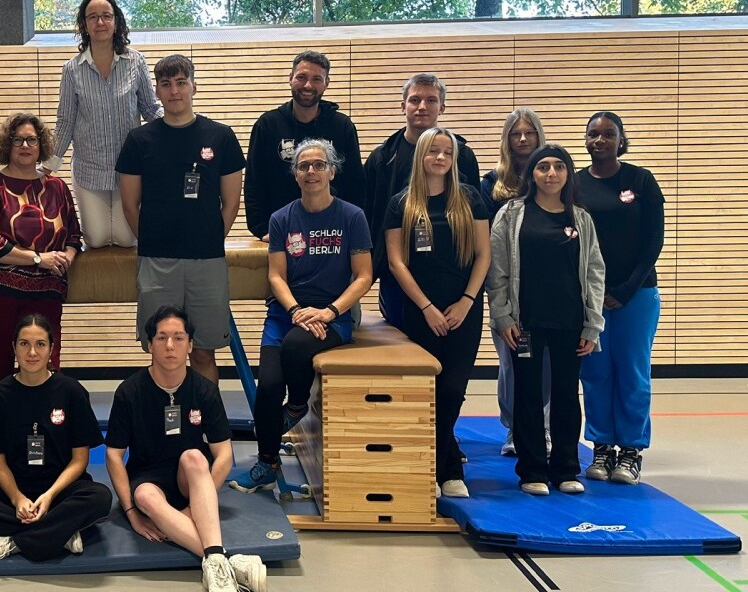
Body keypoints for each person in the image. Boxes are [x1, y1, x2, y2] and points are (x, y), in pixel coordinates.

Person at [230, 139, 372, 496]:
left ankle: (296, 407)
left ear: (332, 171)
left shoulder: (351, 216)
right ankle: (266, 463)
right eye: (304, 166)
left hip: (334, 315)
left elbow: (364, 277)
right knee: (267, 389)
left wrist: (328, 311)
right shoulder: (282, 218)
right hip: (286, 314)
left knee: (296, 347)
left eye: (318, 165)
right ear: (295, 175)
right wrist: (295, 310)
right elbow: (276, 275)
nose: (311, 172)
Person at [106, 306, 268, 592]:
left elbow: (223, 456)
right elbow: (114, 455)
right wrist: (131, 513)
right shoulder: (129, 392)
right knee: (145, 495)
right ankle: (226, 561)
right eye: (162, 337)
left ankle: (217, 565)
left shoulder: (204, 390)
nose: (170, 346)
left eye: (178, 338)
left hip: (189, 477)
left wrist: (196, 503)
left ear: (190, 345)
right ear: (149, 344)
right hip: (148, 477)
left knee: (195, 457)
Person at [0, 315, 113, 562]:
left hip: (58, 491)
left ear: (51, 349)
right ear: (14, 348)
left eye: (40, 344)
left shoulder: (71, 391)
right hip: (11, 493)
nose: (32, 352)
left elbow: (79, 460)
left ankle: (10, 542)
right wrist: (17, 498)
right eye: (24, 344)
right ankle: (58, 533)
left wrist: (50, 495)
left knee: (100, 497)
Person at [117, 54, 245, 384]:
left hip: (207, 260)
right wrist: (152, 241)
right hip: (157, 260)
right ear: (156, 92)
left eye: (181, 83)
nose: (174, 91)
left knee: (203, 352)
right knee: (164, 351)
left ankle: (206, 430)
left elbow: (230, 202)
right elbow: (131, 205)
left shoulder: (221, 136)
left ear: (194, 87)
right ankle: (165, 434)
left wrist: (210, 238)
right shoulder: (139, 140)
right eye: (166, 84)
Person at [486, 146, 605, 496]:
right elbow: (498, 271)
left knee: (567, 395)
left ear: (568, 173)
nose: (550, 173)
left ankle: (567, 468)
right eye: (542, 167)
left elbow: (596, 271)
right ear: (531, 175)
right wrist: (503, 315)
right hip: (525, 324)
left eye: (558, 167)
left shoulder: (580, 218)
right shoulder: (511, 215)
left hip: (570, 322)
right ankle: (532, 470)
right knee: (527, 394)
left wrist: (592, 324)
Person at [384, 128, 491, 498]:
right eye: (434, 152)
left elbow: (484, 255)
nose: (441, 158)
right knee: (425, 391)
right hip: (420, 311)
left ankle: (446, 466)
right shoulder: (402, 203)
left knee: (452, 389)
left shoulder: (470, 199)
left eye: (447, 152)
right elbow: (397, 261)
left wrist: (467, 300)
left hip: (463, 309)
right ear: (422, 156)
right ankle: (430, 466)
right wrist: (426, 307)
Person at [0, 113, 82, 430]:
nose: (25, 145)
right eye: (18, 139)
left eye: (32, 139)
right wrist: (37, 259)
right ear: (7, 144)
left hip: (44, 295)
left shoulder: (57, 187)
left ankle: (48, 450)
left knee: (45, 377)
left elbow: (74, 236)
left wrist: (67, 257)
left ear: (41, 144)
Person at [577, 111, 665, 486]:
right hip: (590, 297)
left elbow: (653, 240)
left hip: (636, 295)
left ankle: (630, 450)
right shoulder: (575, 184)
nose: (600, 140)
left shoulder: (640, 181)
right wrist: (592, 293)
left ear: (621, 139)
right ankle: (601, 446)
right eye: (593, 134)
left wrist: (626, 289)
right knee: (595, 372)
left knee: (631, 371)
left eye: (607, 134)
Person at [363, 73, 481, 329]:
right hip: (398, 271)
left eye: (431, 100)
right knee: (404, 348)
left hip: (452, 270)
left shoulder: (463, 155)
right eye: (414, 100)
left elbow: (475, 217)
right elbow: (369, 214)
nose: (422, 107)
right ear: (402, 105)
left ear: (442, 107)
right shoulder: (382, 158)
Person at [46, 0, 162, 248]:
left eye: (106, 16)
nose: (100, 22)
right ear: (84, 24)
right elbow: (65, 121)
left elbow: (151, 109)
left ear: (116, 21)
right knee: (96, 240)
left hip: (130, 170)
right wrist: (47, 167)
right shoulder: (71, 69)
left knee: (125, 239)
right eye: (93, 17)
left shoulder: (135, 61)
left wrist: (181, 125)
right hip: (89, 169)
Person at [478, 107, 549, 456]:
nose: (522, 140)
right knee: (510, 361)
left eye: (529, 133)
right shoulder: (492, 184)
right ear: (506, 140)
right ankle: (513, 429)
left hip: (546, 288)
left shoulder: (553, 178)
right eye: (515, 134)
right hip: (505, 287)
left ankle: (543, 428)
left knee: (545, 362)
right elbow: (487, 242)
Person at [244, 50, 365, 241]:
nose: (308, 85)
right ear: (290, 78)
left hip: (332, 235)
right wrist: (262, 229)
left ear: (327, 83)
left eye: (317, 79)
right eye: (302, 77)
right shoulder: (267, 125)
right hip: (282, 234)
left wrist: (351, 228)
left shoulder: (342, 127)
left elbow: (355, 183)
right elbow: (254, 182)